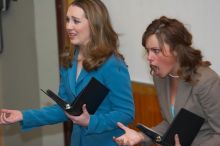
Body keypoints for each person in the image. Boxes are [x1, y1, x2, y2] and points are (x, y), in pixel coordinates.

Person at [0, 0, 135, 146]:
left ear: (94, 25)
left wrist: (90, 121)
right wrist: (23, 116)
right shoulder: (69, 60)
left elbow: (126, 113)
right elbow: (65, 109)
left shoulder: (113, 64)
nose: (68, 26)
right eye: (67, 20)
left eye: (76, 21)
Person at [113, 16, 220, 146]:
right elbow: (171, 124)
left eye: (155, 51)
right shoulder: (160, 78)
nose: (149, 57)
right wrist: (140, 136)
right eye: (148, 51)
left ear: (177, 51)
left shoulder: (206, 81)